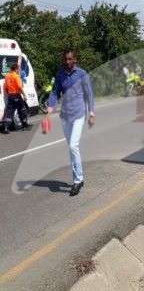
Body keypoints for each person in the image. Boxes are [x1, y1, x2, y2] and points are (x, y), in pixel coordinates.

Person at [46, 49, 95, 196]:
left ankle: (77, 181)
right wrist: (50, 107)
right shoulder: (60, 74)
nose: (67, 62)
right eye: (65, 59)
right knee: (71, 148)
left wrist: (91, 112)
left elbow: (89, 94)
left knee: (74, 145)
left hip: (79, 114)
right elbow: (55, 92)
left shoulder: (82, 74)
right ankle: (79, 177)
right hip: (65, 115)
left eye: (69, 59)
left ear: (75, 60)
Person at [1, 62, 29, 134]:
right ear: (16, 69)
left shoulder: (7, 76)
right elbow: (19, 87)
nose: (18, 70)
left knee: (9, 112)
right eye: (18, 69)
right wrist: (24, 95)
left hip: (10, 96)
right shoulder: (16, 76)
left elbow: (6, 88)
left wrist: (10, 94)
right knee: (22, 110)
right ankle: (24, 125)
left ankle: (6, 128)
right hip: (17, 95)